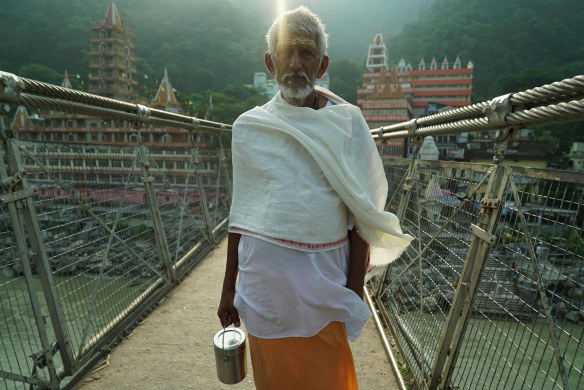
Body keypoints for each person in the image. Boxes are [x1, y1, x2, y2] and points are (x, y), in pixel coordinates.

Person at [217, 6, 412, 389]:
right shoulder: (249, 128)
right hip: (262, 291)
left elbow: (361, 215)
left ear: (322, 65)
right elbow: (242, 212)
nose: (295, 63)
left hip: (324, 290)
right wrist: (228, 288)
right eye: (286, 52)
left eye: (306, 53)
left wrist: (354, 289)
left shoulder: (348, 124)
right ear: (269, 62)